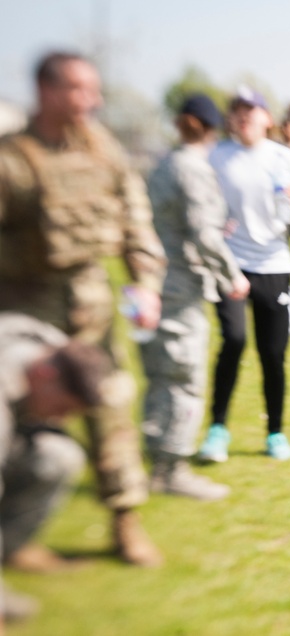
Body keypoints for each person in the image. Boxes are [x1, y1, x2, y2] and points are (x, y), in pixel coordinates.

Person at [0, 51, 166, 567]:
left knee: (111, 407)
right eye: (78, 89)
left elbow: (134, 214)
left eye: (93, 89)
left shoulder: (104, 149)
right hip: (28, 306)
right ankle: (16, 535)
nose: (91, 100)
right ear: (47, 91)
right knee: (24, 422)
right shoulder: (13, 159)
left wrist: (146, 280)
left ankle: (125, 520)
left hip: (91, 304)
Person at [141, 94, 249, 500]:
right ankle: (172, 469)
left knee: (160, 375)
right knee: (183, 376)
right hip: (180, 287)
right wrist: (232, 275)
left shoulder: (164, 164)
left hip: (153, 285)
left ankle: (156, 461)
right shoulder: (193, 167)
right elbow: (204, 234)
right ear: (209, 126)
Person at [197, 86, 290, 463]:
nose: (244, 115)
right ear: (230, 118)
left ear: (267, 117)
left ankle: (275, 433)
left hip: (274, 266)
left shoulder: (284, 159)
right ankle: (217, 430)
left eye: (252, 109)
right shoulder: (216, 157)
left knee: (272, 354)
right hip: (231, 265)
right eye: (238, 109)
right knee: (232, 340)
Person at [0, 313, 112, 625]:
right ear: (45, 374)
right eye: (62, 408)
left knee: (59, 455)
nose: (61, 419)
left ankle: (12, 548)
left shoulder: (50, 347)